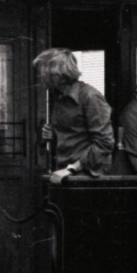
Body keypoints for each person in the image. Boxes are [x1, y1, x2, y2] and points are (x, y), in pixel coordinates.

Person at [34, 47, 114, 184]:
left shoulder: (90, 97)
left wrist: (72, 169)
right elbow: (73, 135)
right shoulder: (59, 97)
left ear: (57, 73)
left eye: (43, 71)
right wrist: (51, 135)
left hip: (88, 177)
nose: (40, 76)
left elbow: (105, 143)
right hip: (65, 174)